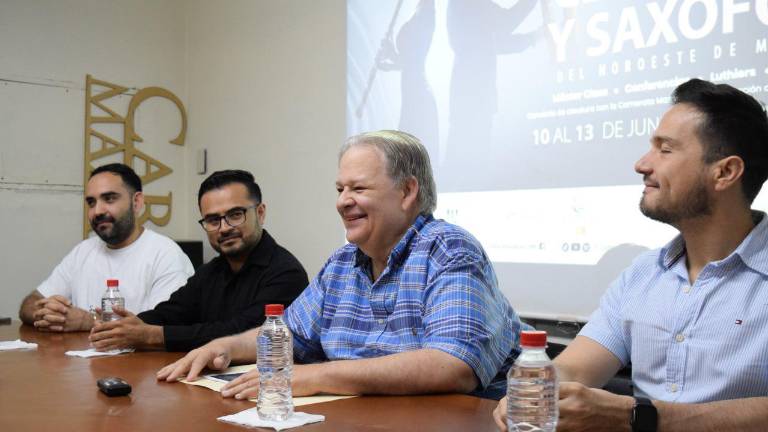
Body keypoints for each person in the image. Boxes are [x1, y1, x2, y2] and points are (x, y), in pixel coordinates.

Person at [157, 130, 525, 400]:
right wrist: (223, 347)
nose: (342, 202)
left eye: (358, 189)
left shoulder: (449, 249)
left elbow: (452, 365)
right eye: (340, 190)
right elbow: (290, 334)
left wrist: (314, 377)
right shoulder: (343, 262)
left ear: (407, 192)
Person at [494, 79, 768, 431]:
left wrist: (639, 416)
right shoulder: (643, 273)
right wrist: (536, 390)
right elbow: (576, 367)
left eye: (665, 150)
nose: (642, 165)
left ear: (725, 172)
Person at [88, 170, 309, 351]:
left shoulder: (286, 273)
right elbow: (172, 312)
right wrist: (126, 326)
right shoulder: (210, 271)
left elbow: (242, 333)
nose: (224, 228)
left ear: (260, 213)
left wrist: (153, 336)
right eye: (212, 220)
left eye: (235, 215)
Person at [19, 163, 194, 332]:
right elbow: (30, 303)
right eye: (91, 202)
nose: (97, 211)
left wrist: (89, 321)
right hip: (77, 353)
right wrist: (50, 313)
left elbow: (162, 328)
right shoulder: (82, 251)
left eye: (109, 199)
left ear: (137, 202)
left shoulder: (166, 255)